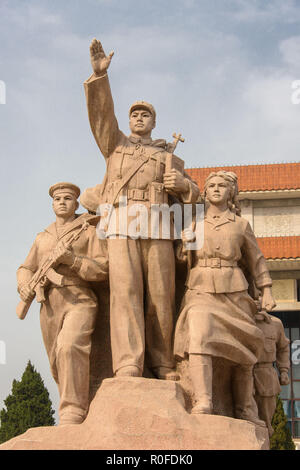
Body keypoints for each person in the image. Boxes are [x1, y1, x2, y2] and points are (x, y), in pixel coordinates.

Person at [83, 38, 200, 380]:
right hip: (120, 222)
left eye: (144, 114)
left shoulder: (167, 156)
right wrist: (99, 78)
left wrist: (184, 188)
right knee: (125, 293)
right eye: (133, 113)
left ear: (153, 122)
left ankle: (163, 362)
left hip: (159, 224)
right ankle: (128, 363)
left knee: (161, 296)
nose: (137, 117)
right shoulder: (115, 145)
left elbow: (194, 196)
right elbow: (102, 117)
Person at [174, 170, 276, 425]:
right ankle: (204, 399)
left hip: (234, 291)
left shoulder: (241, 224)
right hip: (201, 288)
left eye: (222, 186)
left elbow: (256, 259)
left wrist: (267, 289)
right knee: (197, 336)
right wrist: (184, 246)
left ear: (231, 192)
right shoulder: (194, 222)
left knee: (244, 347)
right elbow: (180, 261)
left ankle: (244, 408)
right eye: (212, 186)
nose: (217, 189)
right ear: (205, 192)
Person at [17, 182, 108, 425]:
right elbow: (26, 267)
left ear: (76, 204)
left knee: (69, 347)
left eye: (67, 198)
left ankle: (73, 410)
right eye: (57, 199)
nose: (62, 202)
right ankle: (76, 400)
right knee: (57, 360)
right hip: (48, 303)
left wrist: (73, 260)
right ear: (52, 204)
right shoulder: (42, 237)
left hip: (79, 298)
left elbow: (102, 268)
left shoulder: (88, 230)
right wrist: (24, 283)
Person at [254, 310, 290, 436]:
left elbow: (283, 347)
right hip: (242, 372)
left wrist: (284, 370)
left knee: (265, 420)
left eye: (260, 295)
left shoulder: (275, 323)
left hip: (266, 373)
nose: (257, 300)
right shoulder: (239, 319)